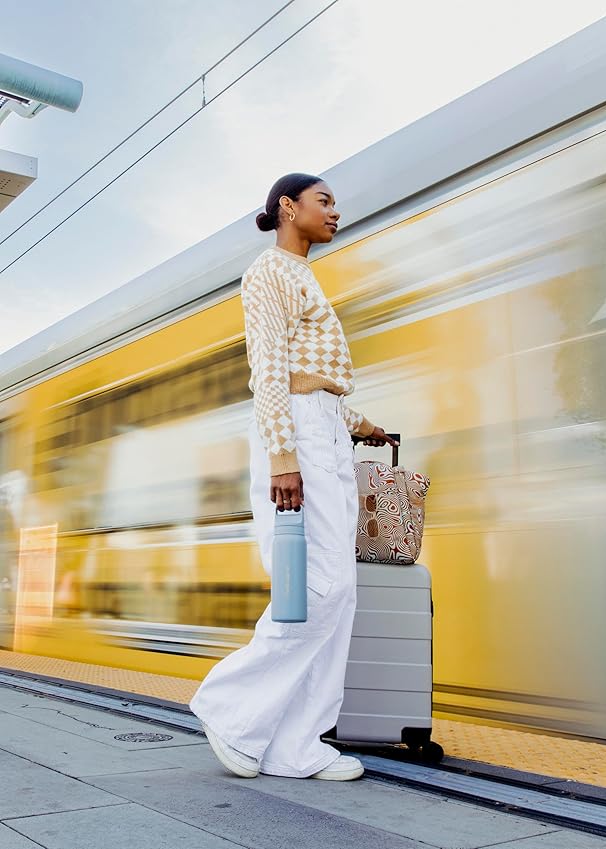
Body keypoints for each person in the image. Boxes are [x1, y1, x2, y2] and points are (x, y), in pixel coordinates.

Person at [190, 173, 397, 781]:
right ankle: (231, 709)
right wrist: (284, 456)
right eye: (324, 201)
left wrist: (360, 424)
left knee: (341, 593)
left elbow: (315, 381)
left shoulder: (305, 276)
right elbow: (271, 371)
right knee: (314, 589)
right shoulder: (269, 272)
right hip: (300, 439)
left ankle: (296, 744)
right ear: (289, 207)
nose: (336, 211)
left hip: (325, 427)